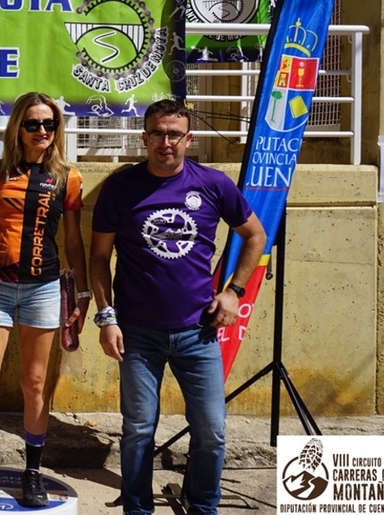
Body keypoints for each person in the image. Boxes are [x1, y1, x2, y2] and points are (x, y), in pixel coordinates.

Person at [89, 99, 266, 515]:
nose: (165, 142)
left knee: (212, 429)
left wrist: (234, 291)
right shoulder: (121, 187)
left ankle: (203, 505)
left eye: (174, 134)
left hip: (198, 331)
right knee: (137, 430)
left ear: (189, 138)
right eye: (157, 133)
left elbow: (255, 236)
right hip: (137, 332)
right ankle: (137, 507)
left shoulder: (214, 183)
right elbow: (99, 258)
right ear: (144, 138)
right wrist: (106, 318)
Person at [0, 92, 90, 508]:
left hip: (43, 288)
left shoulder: (68, 177)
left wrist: (80, 294)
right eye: (32, 124)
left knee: (35, 384)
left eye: (49, 124)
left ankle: (32, 472)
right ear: (18, 129)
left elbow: (74, 241)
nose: (42, 131)